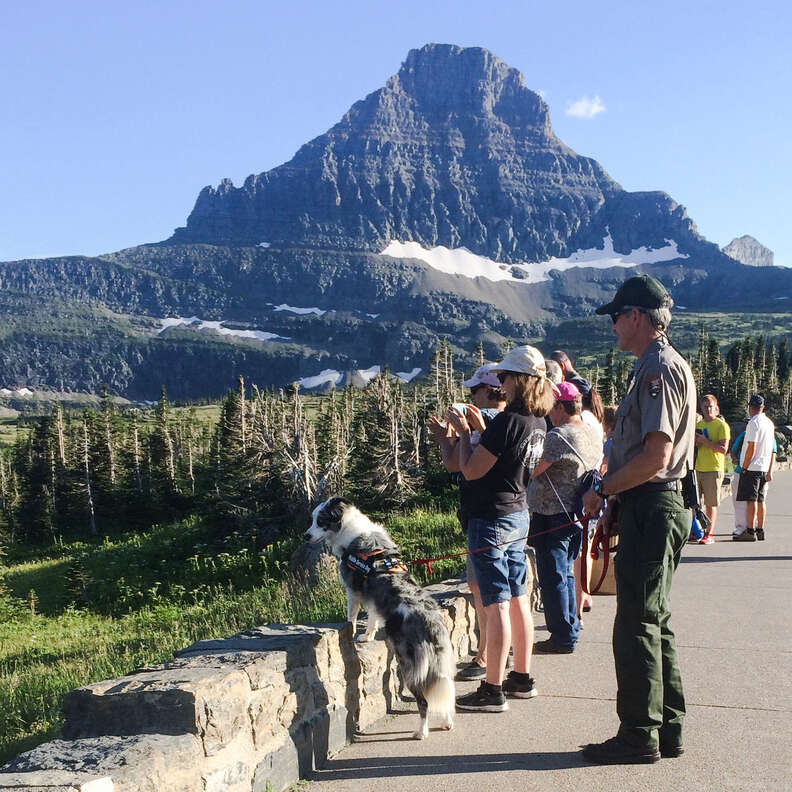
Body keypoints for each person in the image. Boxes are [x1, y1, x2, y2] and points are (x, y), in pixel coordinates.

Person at [581, 274, 696, 764]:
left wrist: (603, 489)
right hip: (647, 505)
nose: (611, 326)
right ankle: (666, 729)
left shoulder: (658, 370)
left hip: (654, 503)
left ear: (635, 317)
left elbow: (654, 456)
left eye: (615, 317)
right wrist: (615, 505)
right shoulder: (654, 366)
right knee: (654, 621)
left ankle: (638, 735)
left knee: (636, 624)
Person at [447, 345, 553, 712]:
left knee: (495, 606)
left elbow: (472, 470)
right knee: (519, 597)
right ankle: (522, 677)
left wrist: (463, 435)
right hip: (518, 513)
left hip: (489, 516)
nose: (500, 383)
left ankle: (492, 689)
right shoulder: (539, 421)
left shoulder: (508, 422)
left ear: (520, 380)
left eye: (505, 376)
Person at [428, 364, 507, 680]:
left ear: (488, 391)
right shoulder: (493, 425)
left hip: (488, 513)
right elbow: (455, 465)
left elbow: (462, 467)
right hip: (489, 513)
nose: (470, 396)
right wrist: (449, 437)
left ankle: (486, 657)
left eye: (474, 390)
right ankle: (493, 650)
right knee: (492, 588)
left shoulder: (492, 425)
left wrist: (460, 434)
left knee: (487, 591)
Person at [527, 381, 601, 653]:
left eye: (549, 405)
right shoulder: (592, 431)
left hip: (553, 513)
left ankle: (562, 637)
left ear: (559, 406)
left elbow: (533, 469)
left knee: (553, 575)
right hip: (577, 512)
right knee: (566, 573)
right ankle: (571, 625)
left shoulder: (559, 436)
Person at [734, 394, 776, 541]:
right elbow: (771, 448)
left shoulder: (753, 423)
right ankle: (760, 529)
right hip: (764, 465)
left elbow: (751, 446)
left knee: (751, 500)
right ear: (762, 407)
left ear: (750, 407)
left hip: (753, 466)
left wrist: (744, 466)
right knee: (761, 499)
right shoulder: (769, 423)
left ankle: (750, 530)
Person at [694, 394, 730, 544]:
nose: (708, 409)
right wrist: (696, 442)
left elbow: (723, 449)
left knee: (710, 503)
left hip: (714, 469)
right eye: (705, 407)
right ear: (701, 408)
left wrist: (704, 441)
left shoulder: (722, 426)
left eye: (710, 406)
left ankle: (709, 533)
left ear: (716, 408)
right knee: (695, 503)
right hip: (698, 468)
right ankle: (696, 531)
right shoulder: (699, 425)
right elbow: (694, 446)